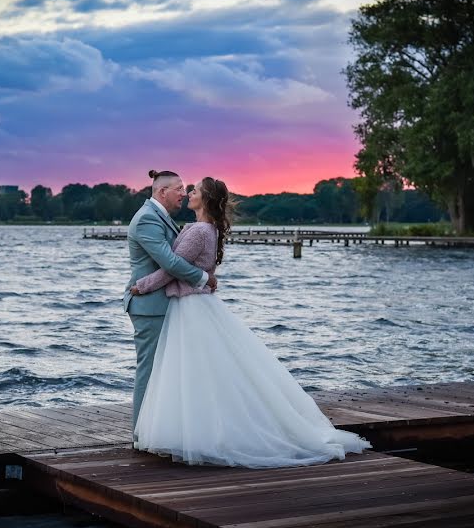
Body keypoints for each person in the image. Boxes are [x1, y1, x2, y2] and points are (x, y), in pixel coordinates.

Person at [130, 177, 371, 468]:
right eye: (184, 189)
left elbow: (171, 267)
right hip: (188, 305)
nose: (188, 193)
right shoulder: (197, 227)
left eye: (193, 190)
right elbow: (175, 263)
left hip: (190, 307)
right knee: (195, 372)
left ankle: (182, 431)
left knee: (194, 372)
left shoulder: (198, 231)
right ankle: (184, 429)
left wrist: (143, 284)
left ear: (205, 199)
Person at [124, 170, 218, 431]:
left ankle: (161, 430)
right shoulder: (147, 220)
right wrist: (204, 278)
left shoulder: (161, 217)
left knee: (166, 371)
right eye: (178, 188)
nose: (184, 193)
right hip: (150, 305)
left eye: (187, 189)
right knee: (150, 370)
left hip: (162, 301)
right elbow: (171, 262)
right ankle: (141, 434)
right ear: (161, 191)